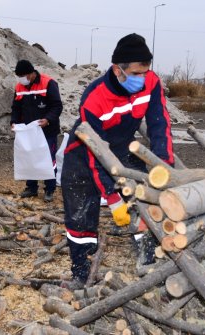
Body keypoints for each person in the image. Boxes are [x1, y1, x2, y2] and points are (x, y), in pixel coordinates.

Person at [60, 33, 174, 289]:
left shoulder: (151, 83)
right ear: (118, 69)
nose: (141, 79)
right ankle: (82, 272)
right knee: (81, 217)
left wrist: (164, 167)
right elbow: (95, 150)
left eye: (145, 72)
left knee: (144, 201)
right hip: (84, 155)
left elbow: (159, 124)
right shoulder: (95, 98)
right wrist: (112, 198)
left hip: (123, 150)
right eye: (136, 73)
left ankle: (148, 261)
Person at [11, 59, 63, 202]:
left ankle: (50, 189)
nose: (21, 79)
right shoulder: (20, 86)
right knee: (30, 158)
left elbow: (57, 106)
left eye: (23, 76)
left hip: (47, 129)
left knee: (49, 159)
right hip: (29, 131)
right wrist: (14, 121)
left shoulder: (48, 83)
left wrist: (48, 119)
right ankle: (31, 188)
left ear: (31, 74)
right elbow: (15, 107)